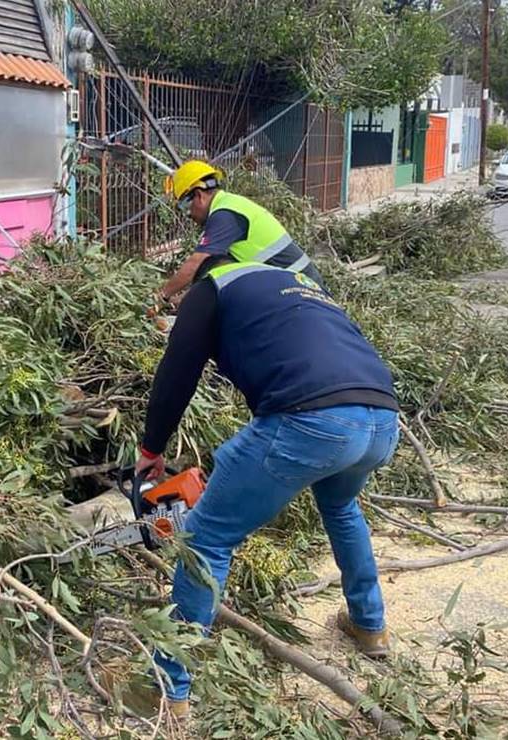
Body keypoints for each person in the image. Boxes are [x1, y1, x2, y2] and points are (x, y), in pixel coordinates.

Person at [135, 254, 400, 715]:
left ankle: (168, 687)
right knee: (341, 508)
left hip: (311, 421)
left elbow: (178, 369)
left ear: (202, 275)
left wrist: (151, 450)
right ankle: (369, 625)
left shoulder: (212, 286)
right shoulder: (295, 284)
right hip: (381, 419)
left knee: (207, 538)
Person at [158, 160, 323, 302]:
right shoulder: (229, 206)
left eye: (185, 207)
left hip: (301, 290)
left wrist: (162, 296)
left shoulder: (225, 215)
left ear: (199, 195)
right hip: (296, 286)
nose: (188, 215)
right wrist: (183, 301)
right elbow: (219, 274)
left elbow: (197, 262)